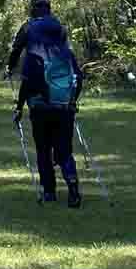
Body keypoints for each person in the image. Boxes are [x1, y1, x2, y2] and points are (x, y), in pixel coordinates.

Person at [13, 19, 85, 207]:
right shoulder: (67, 54)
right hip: (64, 108)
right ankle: (73, 188)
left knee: (43, 149)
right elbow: (78, 80)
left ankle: (49, 192)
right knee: (65, 150)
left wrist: (19, 107)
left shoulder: (33, 55)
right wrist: (72, 101)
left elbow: (26, 85)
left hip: (40, 109)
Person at [5, 0, 67, 78]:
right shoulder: (60, 27)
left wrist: (10, 68)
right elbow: (65, 50)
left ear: (33, 8)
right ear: (49, 8)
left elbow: (17, 49)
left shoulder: (27, 27)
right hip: (55, 75)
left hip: (32, 75)